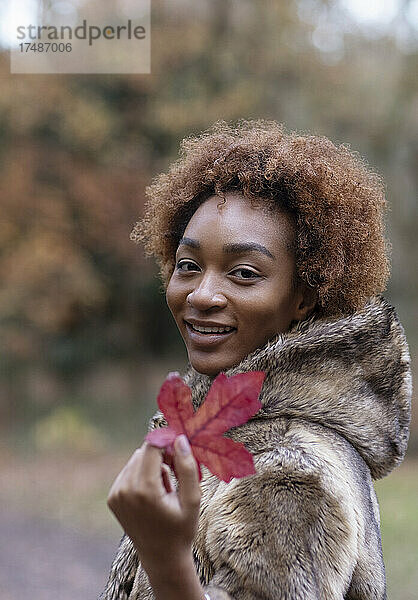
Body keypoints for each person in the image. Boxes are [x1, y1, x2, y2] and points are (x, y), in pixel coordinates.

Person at [100, 120, 411, 600]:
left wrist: (165, 559)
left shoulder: (293, 474)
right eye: (188, 265)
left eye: (244, 273)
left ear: (303, 297)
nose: (201, 294)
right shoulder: (227, 434)